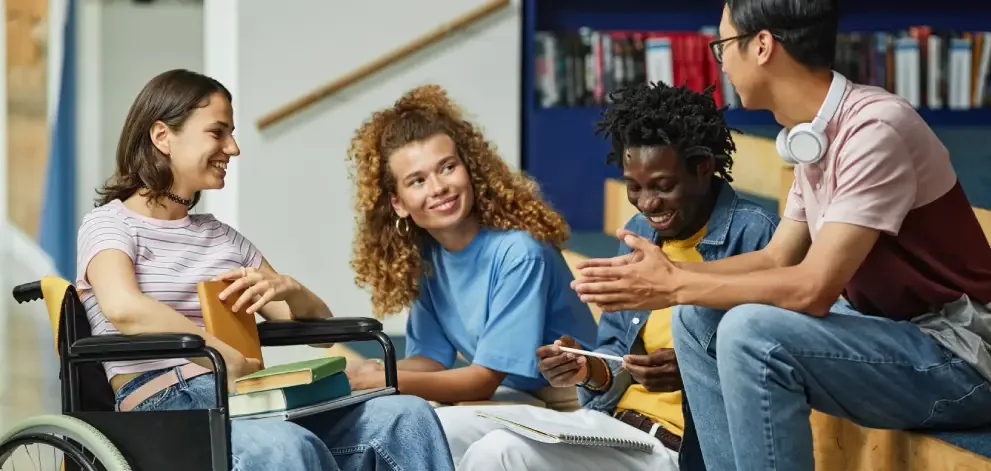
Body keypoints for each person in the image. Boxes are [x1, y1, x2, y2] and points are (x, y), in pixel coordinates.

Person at [572, 1, 991, 470]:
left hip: (964, 356)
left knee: (750, 331)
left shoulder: (874, 129)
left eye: (723, 45)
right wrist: (668, 273)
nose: (721, 63)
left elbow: (813, 288)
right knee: (695, 317)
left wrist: (673, 284)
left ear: (762, 46)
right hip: (896, 336)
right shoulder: (812, 136)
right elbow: (776, 258)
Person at [77, 69, 455, 471]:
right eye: (218, 132)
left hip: (244, 399)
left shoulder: (223, 238)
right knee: (286, 447)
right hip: (166, 405)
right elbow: (123, 307)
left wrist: (290, 289)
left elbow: (321, 331)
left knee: (406, 416)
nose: (233, 148)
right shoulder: (109, 225)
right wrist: (220, 354)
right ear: (162, 136)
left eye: (232, 134)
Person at [433, 81, 780, 470]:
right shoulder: (639, 232)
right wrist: (586, 369)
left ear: (703, 167)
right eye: (634, 186)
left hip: (675, 450)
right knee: (436, 427)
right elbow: (616, 354)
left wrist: (692, 372)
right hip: (612, 426)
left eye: (663, 186)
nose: (647, 203)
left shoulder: (758, 237)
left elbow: (778, 367)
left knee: (499, 452)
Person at [343, 84, 599, 409]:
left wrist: (383, 379)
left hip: (574, 399)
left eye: (448, 167)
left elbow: (481, 382)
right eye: (417, 181)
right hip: (515, 394)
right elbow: (430, 360)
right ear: (399, 203)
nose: (438, 187)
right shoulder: (428, 258)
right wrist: (369, 370)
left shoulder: (520, 253)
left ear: (470, 169)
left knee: (430, 423)